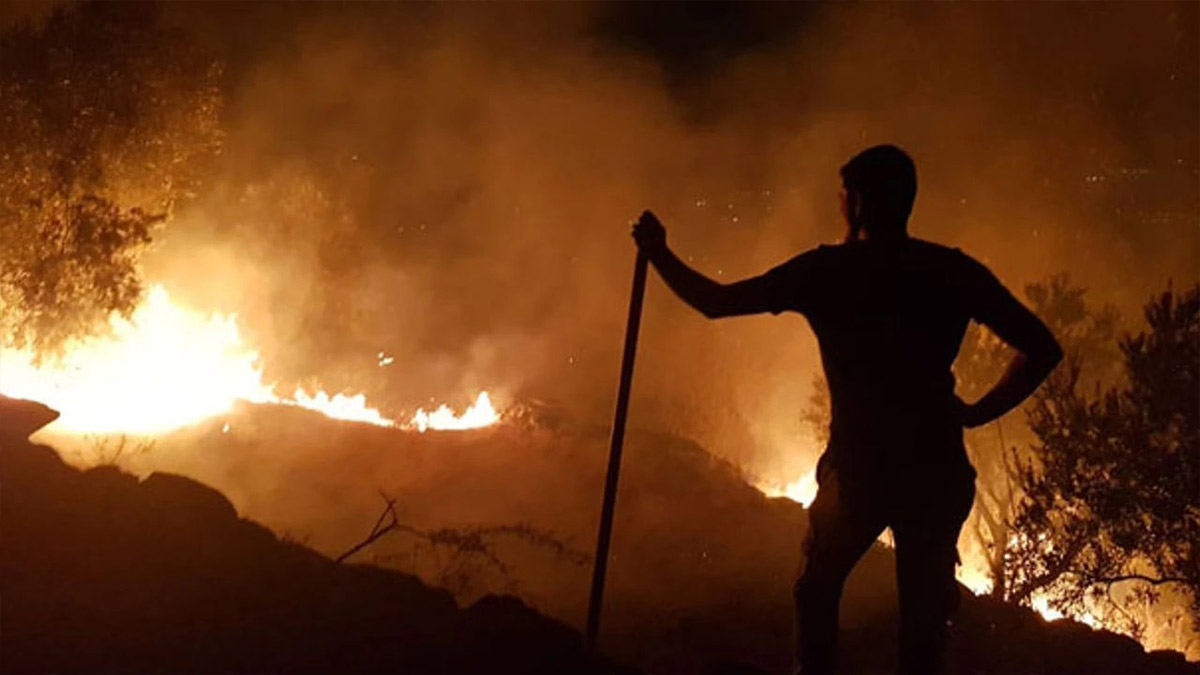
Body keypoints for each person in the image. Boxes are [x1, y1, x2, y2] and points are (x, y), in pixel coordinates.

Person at [631, 144, 1063, 675]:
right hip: (934, 467)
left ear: (856, 203)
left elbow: (716, 302)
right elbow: (1043, 347)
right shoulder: (949, 271)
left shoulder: (829, 272)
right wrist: (975, 412)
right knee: (922, 623)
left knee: (817, 593)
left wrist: (659, 254)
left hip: (860, 470)